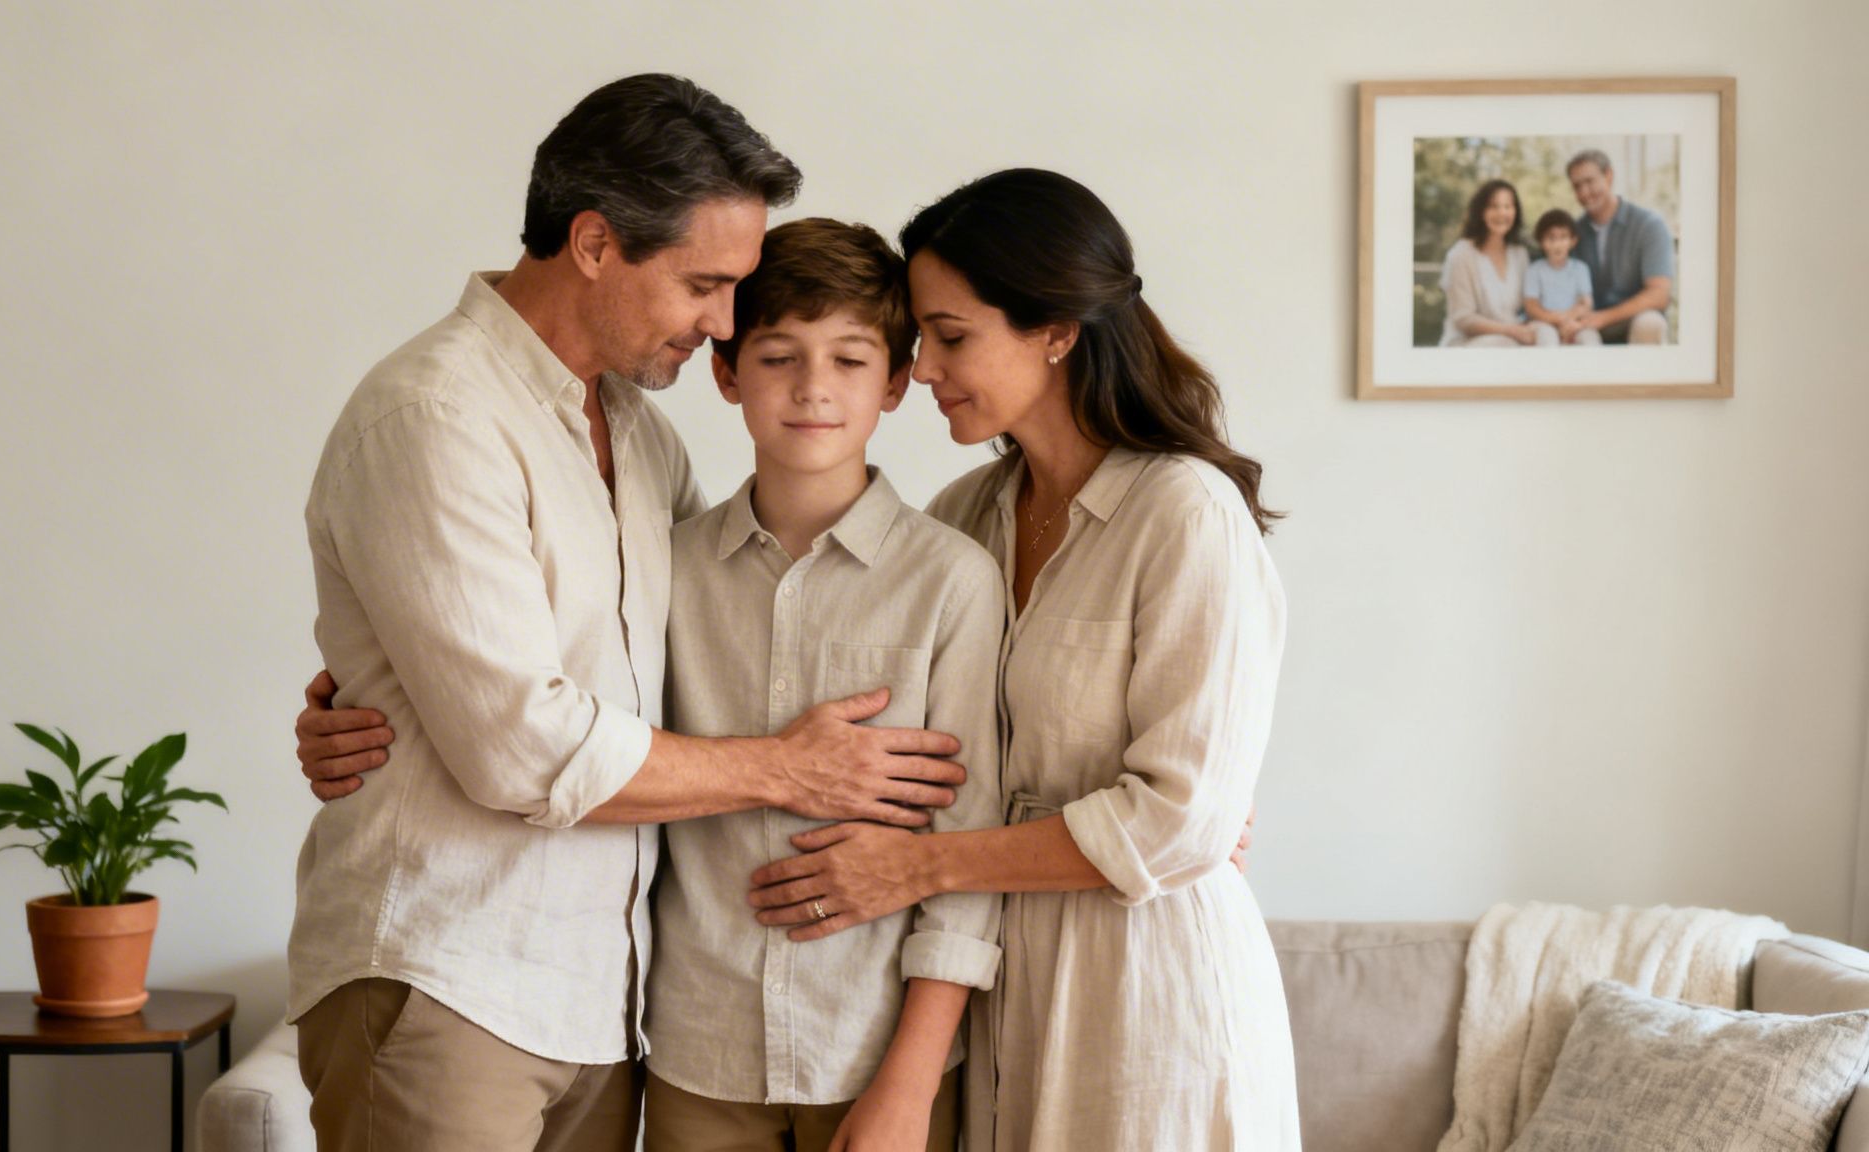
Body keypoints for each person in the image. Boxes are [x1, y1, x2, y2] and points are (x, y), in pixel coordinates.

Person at [288, 74, 974, 1152]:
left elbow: (691, 652)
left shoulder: (639, 438)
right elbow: (521, 744)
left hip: (598, 1007)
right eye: (704, 284)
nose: (720, 324)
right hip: (446, 976)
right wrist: (791, 769)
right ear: (597, 244)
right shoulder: (434, 416)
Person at [745, 169, 1301, 1149]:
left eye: (951, 337)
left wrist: (917, 866)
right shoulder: (966, 516)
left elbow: (1180, 820)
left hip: (1147, 985)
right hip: (998, 987)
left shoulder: (1184, 514)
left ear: (1054, 330)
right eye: (921, 341)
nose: (919, 372)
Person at [641, 218, 1003, 1150]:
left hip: (880, 1058)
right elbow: (574, 729)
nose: (812, 388)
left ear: (893, 381)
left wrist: (910, 1086)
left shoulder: (952, 581)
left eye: (848, 360)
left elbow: (968, 854)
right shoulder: (662, 569)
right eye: (777, 356)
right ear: (726, 372)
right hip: (698, 1050)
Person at [1565, 148, 1675, 345]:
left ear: (1609, 175)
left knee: (1650, 323)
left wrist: (1604, 317)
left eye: (1589, 182)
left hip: (1635, 321)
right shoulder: (1572, 234)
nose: (1584, 193)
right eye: (1576, 186)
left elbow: (1659, 294)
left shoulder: (1649, 225)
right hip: (1591, 327)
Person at [1437, 178, 1545, 347]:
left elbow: (1528, 306)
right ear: (1480, 211)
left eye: (1508, 206)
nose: (1502, 213)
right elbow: (1463, 319)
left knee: (1546, 334)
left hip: (1512, 335)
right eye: (1494, 206)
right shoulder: (1461, 254)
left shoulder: (1520, 254)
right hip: (1468, 342)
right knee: (1504, 344)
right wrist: (1512, 331)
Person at [1522, 208, 1599, 346]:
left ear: (1573, 241)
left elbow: (1586, 303)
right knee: (1547, 337)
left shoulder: (1580, 269)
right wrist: (1558, 320)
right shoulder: (1534, 270)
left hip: (1574, 322)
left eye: (1563, 237)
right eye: (1551, 238)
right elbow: (1531, 306)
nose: (1557, 244)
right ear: (1541, 241)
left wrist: (1570, 321)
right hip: (1544, 323)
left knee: (1590, 338)